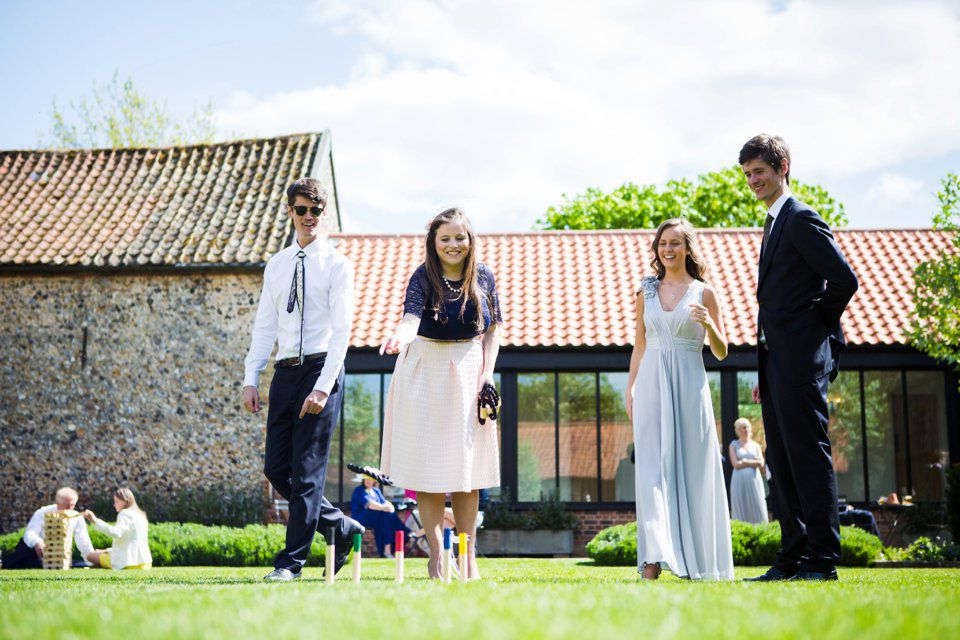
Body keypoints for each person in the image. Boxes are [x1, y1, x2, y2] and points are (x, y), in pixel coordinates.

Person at [741, 134, 858, 582]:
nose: (754, 180)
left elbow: (843, 280)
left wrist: (812, 331)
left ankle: (821, 561)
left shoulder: (800, 218)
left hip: (802, 361)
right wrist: (769, 362)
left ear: (782, 166)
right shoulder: (774, 222)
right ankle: (791, 557)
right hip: (776, 363)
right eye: (748, 173)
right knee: (784, 464)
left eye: (760, 171)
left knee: (809, 459)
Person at [241, 177, 364, 582]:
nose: (308, 217)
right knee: (277, 468)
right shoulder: (276, 265)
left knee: (307, 470)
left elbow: (343, 332)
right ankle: (340, 527)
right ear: (290, 211)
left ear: (323, 214)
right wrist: (251, 377)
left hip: (320, 369)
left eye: (315, 210)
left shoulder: (338, 265)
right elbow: (264, 325)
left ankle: (289, 564)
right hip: (286, 372)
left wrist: (323, 386)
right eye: (301, 209)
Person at [379, 208, 502, 580]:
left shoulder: (484, 277)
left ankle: (468, 558)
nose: (453, 244)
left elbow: (493, 330)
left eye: (459, 237)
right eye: (445, 238)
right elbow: (411, 318)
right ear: (434, 242)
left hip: (468, 368)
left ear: (470, 240)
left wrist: (487, 374)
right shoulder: (423, 276)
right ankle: (436, 556)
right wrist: (400, 336)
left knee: (467, 471)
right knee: (428, 469)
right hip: (424, 368)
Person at [625, 218, 734, 581]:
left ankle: (699, 563)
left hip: (690, 387)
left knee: (694, 470)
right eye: (662, 244)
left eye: (675, 243)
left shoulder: (705, 293)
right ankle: (652, 562)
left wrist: (710, 326)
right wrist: (631, 389)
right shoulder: (646, 292)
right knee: (652, 471)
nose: (667, 250)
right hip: (651, 384)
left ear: (687, 248)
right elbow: (639, 346)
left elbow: (721, 352)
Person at [1, 487, 93, 570]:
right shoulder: (43, 512)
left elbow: (83, 541)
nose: (69, 508)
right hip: (33, 550)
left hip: (57, 553)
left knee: (76, 564)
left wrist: (92, 559)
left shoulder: (77, 517)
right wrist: (37, 542)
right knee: (16, 561)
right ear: (57, 502)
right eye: (65, 504)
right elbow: (30, 533)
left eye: (72, 505)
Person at [82, 488, 152, 570]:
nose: (114, 504)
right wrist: (106, 550)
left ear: (125, 501)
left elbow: (116, 533)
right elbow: (131, 541)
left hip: (128, 563)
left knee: (90, 556)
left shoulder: (124, 513)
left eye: (116, 501)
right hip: (145, 563)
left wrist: (95, 521)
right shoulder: (141, 515)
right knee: (100, 554)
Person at [350, 474, 407, 558]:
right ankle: (390, 547)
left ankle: (387, 549)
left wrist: (390, 507)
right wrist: (385, 508)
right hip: (361, 517)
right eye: (366, 479)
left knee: (387, 516)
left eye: (370, 479)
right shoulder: (359, 490)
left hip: (378, 517)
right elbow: (370, 505)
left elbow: (385, 503)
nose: (368, 481)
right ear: (363, 480)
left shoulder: (376, 491)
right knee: (384, 514)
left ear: (374, 481)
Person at [729, 418, 769, 524]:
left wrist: (745, 461)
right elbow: (736, 465)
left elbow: (761, 463)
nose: (745, 429)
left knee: (757, 504)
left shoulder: (755, 445)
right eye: (742, 427)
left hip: (754, 480)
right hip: (738, 481)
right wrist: (752, 462)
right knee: (741, 505)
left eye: (746, 427)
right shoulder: (733, 445)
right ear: (738, 430)